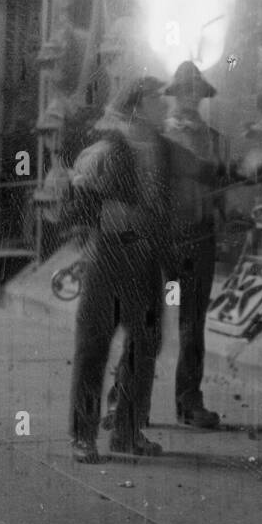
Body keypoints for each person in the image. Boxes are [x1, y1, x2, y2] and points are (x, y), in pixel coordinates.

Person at [67, 76, 171, 460]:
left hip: (145, 261)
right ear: (139, 105)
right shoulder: (108, 149)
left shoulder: (162, 148)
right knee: (93, 348)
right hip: (107, 260)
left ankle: (128, 431)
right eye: (159, 99)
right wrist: (116, 213)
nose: (167, 104)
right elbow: (82, 208)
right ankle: (83, 436)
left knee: (144, 347)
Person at [155, 61, 232, 428]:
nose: (189, 97)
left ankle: (189, 401)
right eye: (183, 91)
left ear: (202, 96)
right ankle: (123, 402)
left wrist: (227, 216)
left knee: (192, 324)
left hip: (200, 239)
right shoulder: (157, 138)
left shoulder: (215, 139)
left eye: (195, 91)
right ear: (173, 95)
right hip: (161, 238)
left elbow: (222, 192)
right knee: (146, 318)